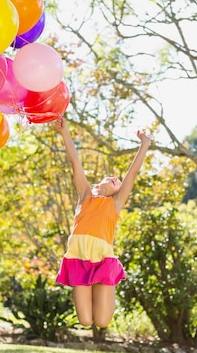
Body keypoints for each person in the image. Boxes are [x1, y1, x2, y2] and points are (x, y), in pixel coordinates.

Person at [54, 116, 152, 329]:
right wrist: (65, 132)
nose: (116, 180)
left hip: (103, 260)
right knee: (85, 321)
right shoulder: (85, 194)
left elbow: (132, 174)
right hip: (78, 258)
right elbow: (75, 162)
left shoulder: (114, 204)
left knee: (102, 321)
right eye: (111, 178)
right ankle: (94, 293)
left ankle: (106, 288)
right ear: (100, 183)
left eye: (118, 182)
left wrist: (144, 144)